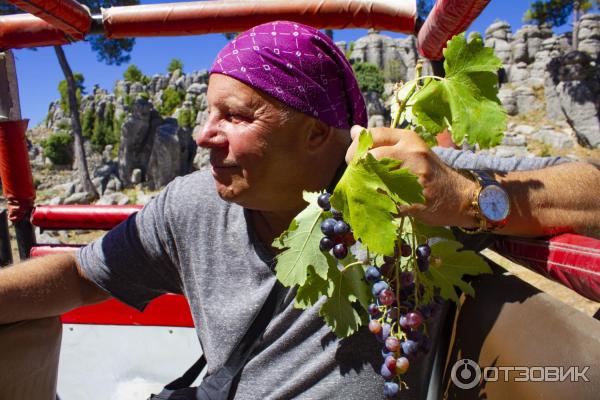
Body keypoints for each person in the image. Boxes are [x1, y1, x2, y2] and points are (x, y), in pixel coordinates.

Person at [1, 20, 600, 399]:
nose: (202, 135)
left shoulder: (400, 189)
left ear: (318, 135)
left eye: (233, 116)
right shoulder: (192, 202)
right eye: (208, 112)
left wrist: (466, 198)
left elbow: (592, 189)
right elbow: (81, 274)